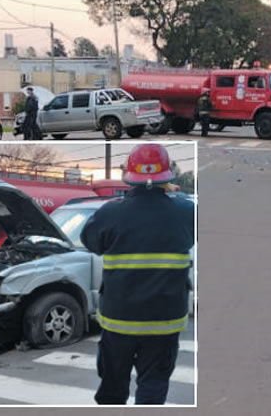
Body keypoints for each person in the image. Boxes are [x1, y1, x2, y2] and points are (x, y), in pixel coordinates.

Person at [80, 144, 194, 405]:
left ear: (129, 176)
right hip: (165, 321)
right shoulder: (187, 212)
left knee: (112, 387)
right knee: (153, 386)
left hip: (119, 320)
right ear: (168, 175)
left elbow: (91, 242)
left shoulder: (110, 213)